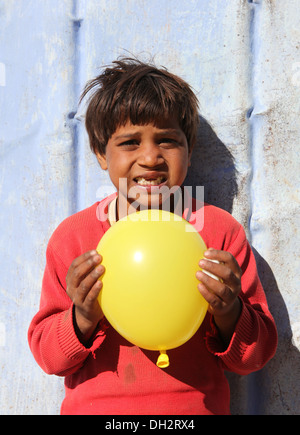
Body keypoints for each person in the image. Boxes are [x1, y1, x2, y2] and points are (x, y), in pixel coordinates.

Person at [28, 58, 277, 415]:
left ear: (189, 151)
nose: (150, 157)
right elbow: (49, 357)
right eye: (130, 142)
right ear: (101, 154)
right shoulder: (75, 240)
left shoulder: (218, 233)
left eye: (167, 141)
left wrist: (229, 311)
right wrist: (82, 317)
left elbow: (254, 357)